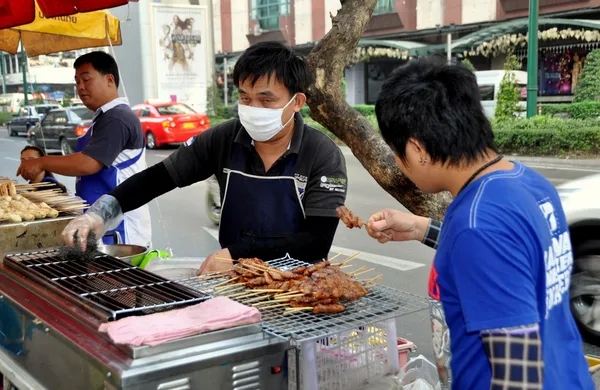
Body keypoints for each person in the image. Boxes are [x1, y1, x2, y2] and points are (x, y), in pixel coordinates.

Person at [365, 57, 593, 390]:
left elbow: (520, 377)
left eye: (396, 153)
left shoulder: (477, 224)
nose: (398, 165)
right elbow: (513, 259)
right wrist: (422, 229)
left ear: (417, 149)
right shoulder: (529, 183)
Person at [60, 42, 347, 274]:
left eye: (266, 100)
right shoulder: (224, 138)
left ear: (297, 102)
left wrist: (237, 254)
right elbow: (157, 178)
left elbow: (315, 242)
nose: (252, 108)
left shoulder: (322, 154)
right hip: (234, 278)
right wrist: (99, 214)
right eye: (245, 98)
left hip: (299, 284)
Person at [17, 51, 151, 247]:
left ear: (109, 80)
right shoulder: (105, 118)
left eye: (86, 79)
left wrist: (41, 162)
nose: (80, 87)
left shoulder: (117, 118)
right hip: (99, 221)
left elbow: (87, 163)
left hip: (120, 229)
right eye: (77, 81)